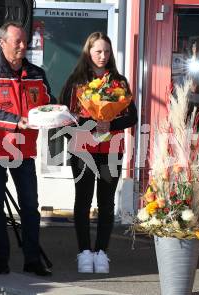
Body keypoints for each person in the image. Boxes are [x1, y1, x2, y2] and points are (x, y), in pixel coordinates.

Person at [0, 21, 54, 276]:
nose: (22, 45)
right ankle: (2, 259)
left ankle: (32, 259)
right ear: (2, 42)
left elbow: (48, 103)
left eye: (24, 40)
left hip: (23, 151)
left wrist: (57, 114)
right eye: (17, 41)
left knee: (30, 206)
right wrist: (16, 122)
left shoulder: (37, 73)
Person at [60, 32, 137, 274]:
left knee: (106, 202)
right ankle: (84, 252)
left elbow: (132, 116)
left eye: (106, 51)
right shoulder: (76, 82)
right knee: (82, 201)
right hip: (83, 150)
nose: (103, 56)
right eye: (97, 51)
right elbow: (64, 118)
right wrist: (87, 128)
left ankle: (101, 252)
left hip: (111, 149)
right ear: (88, 53)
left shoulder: (119, 82)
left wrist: (109, 125)